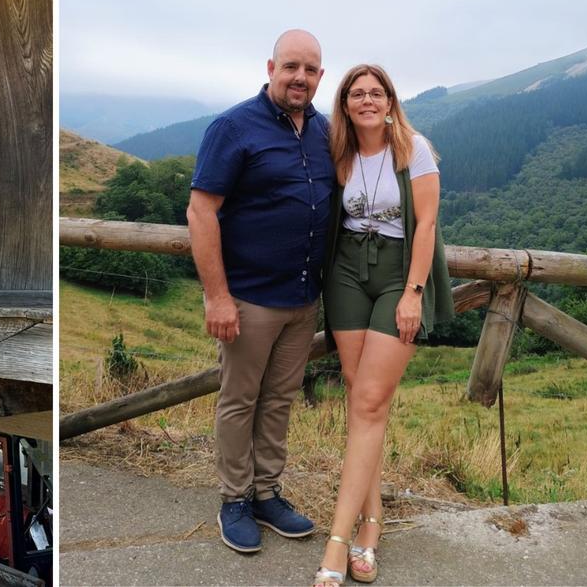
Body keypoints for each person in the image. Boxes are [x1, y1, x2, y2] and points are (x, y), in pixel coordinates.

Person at [187, 29, 335, 553]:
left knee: (279, 400)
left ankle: (268, 492)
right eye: (291, 66)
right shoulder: (233, 126)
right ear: (271, 67)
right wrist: (217, 297)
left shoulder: (323, 131)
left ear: (320, 76)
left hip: (302, 299)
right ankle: (234, 499)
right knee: (239, 400)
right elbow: (201, 211)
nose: (300, 77)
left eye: (311, 69)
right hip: (249, 297)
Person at [312, 64, 454, 587]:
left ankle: (339, 540)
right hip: (347, 270)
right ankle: (371, 525)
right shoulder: (339, 150)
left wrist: (414, 292)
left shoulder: (412, 147)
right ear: (345, 104)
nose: (367, 100)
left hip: (397, 272)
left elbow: (428, 223)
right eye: (357, 93)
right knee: (359, 397)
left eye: (376, 93)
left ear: (391, 101)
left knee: (370, 401)